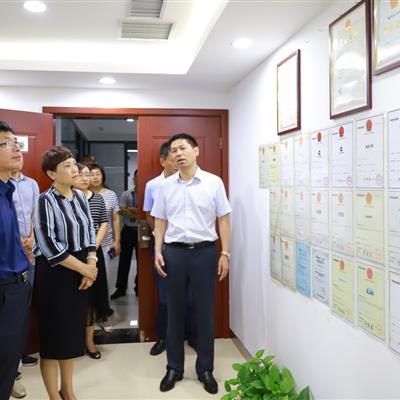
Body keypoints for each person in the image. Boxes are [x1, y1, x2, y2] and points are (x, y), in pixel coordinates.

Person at [152, 133, 231, 394]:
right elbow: (160, 221)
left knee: (204, 312)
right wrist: (157, 250)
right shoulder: (166, 186)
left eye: (183, 148)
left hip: (204, 253)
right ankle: (174, 367)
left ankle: (205, 369)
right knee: (173, 311)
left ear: (196, 151)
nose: (178, 153)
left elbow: (223, 219)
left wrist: (225, 253)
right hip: (174, 253)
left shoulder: (213, 182)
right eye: (174, 150)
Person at [33, 146, 98, 400]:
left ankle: (68, 389)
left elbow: (90, 231)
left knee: (70, 336)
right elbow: (48, 245)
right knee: (53, 339)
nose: (75, 170)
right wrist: (84, 269)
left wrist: (90, 262)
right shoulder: (44, 200)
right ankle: (53, 395)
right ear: (52, 173)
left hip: (80, 270)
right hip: (55, 274)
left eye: (74, 164)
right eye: (67, 166)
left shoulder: (80, 196)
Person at [0, 121, 31, 400]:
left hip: (17, 285)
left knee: (9, 362)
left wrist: (21, 251)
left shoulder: (7, 190)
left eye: (16, 142)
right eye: (7, 143)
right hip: (4, 287)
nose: (17, 148)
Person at [143, 142, 176, 356]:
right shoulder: (153, 185)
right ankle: (163, 337)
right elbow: (149, 214)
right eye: (173, 159)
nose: (178, 162)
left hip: (184, 246)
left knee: (189, 295)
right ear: (163, 161)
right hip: (162, 246)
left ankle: (190, 335)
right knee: (164, 296)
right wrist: (160, 237)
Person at [74, 163, 109, 359]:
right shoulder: (67, 198)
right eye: (80, 174)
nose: (85, 178)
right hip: (73, 255)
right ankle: (73, 340)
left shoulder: (97, 198)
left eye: (87, 175)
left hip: (94, 253)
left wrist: (92, 247)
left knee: (92, 298)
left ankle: (89, 341)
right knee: (75, 295)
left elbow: (103, 222)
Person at [10, 152, 40, 369]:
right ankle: (11, 360)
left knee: (26, 302)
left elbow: (35, 214)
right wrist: (18, 240)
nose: (17, 156)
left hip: (31, 249)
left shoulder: (32, 184)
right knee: (10, 305)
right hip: (11, 248)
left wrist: (31, 239)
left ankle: (20, 353)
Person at [88, 162, 120, 332]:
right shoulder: (79, 193)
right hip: (85, 246)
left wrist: (117, 240)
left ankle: (104, 314)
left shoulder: (110, 195)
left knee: (104, 281)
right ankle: (90, 316)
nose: (95, 177)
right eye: (91, 174)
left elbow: (115, 218)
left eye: (98, 174)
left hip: (106, 244)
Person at [110, 169, 138, 299]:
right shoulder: (127, 194)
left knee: (141, 262)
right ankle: (120, 288)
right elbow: (121, 211)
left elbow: (148, 212)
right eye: (137, 177)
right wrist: (138, 212)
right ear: (134, 178)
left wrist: (131, 210)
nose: (138, 179)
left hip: (142, 230)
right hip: (128, 230)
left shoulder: (146, 192)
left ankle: (139, 288)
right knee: (124, 261)